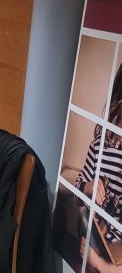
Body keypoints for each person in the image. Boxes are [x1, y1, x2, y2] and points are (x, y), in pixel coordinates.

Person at [76, 64, 122, 272]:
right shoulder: (100, 144)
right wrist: (87, 187)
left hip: (110, 260)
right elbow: (77, 191)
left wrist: (100, 265)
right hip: (90, 244)